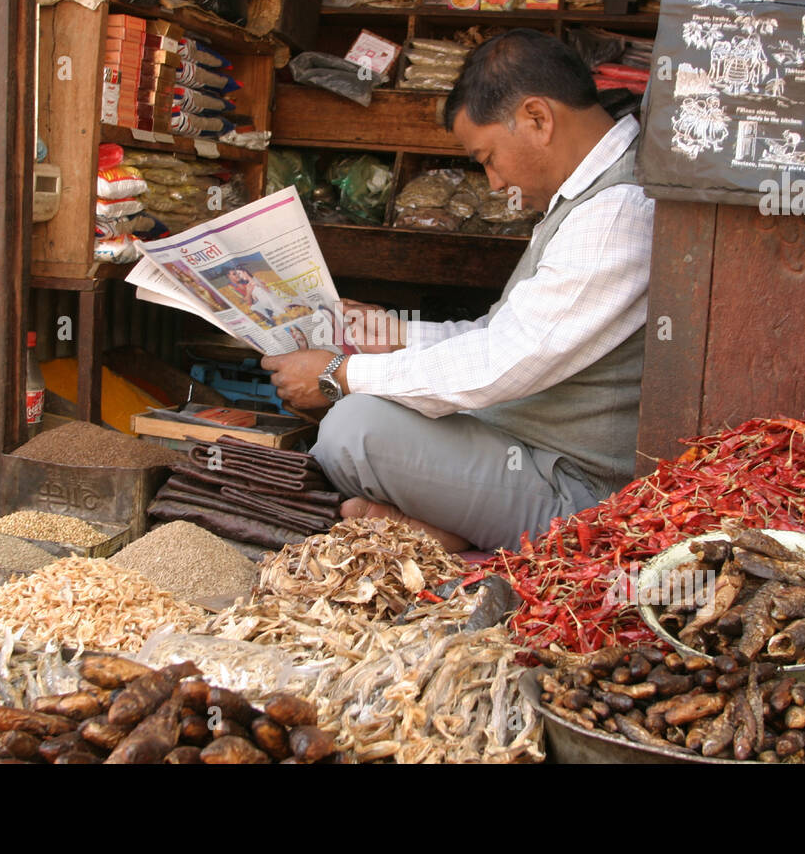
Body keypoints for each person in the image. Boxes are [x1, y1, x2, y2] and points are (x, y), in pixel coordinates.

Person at [261, 29, 655, 552]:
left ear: (538, 119)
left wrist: (342, 375)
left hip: (580, 494)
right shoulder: (584, 195)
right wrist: (395, 334)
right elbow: (500, 333)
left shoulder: (616, 211)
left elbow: (506, 360)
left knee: (353, 430)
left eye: (487, 156)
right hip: (528, 449)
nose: (491, 182)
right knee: (365, 415)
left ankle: (460, 540)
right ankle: (444, 533)